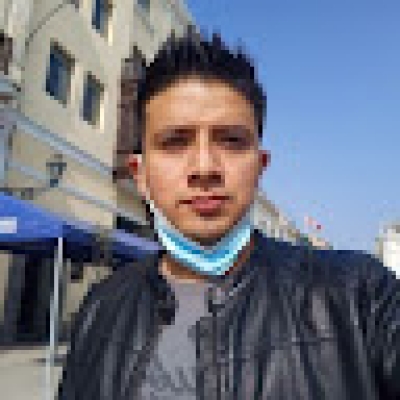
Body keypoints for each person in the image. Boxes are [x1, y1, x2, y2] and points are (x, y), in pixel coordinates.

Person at [57, 27, 400, 400]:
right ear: (140, 175)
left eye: (232, 141)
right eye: (175, 142)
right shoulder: (101, 309)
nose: (205, 167)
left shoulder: (360, 297)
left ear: (259, 167)